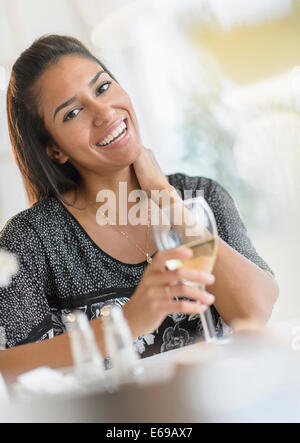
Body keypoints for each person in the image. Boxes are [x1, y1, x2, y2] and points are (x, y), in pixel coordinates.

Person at [0, 35, 278, 382]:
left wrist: (164, 196)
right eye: (73, 112)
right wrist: (128, 321)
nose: (103, 112)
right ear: (54, 150)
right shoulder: (31, 240)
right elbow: (6, 367)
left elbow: (255, 310)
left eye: (102, 88)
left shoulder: (200, 196)